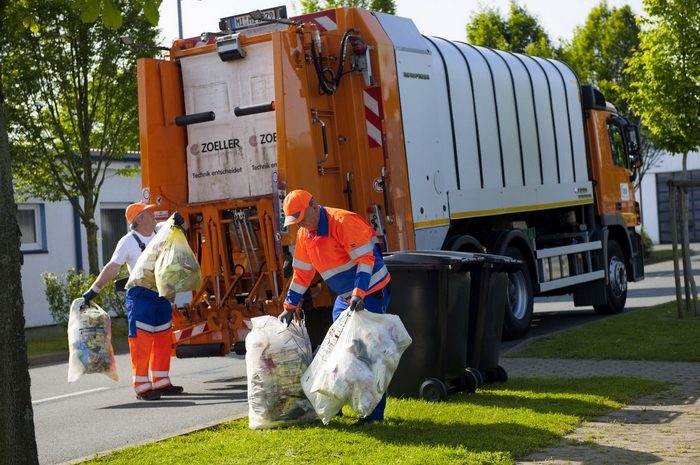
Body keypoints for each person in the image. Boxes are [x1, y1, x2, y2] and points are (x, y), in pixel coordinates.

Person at [278, 189, 391, 425]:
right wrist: (289, 306)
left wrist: (359, 294)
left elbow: (365, 260)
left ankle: (372, 415)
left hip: (369, 292)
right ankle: (334, 403)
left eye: (303, 218)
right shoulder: (304, 234)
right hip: (346, 296)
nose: (302, 224)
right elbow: (302, 274)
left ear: (313, 205)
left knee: (368, 354)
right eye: (296, 222)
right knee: (336, 350)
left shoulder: (342, 222)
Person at [82, 202, 185, 401]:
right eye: (148, 212)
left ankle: (161, 381)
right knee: (142, 341)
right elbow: (113, 267)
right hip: (140, 296)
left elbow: (179, 223)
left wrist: (179, 220)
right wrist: (93, 290)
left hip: (161, 293)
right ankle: (142, 386)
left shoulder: (161, 229)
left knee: (163, 338)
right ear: (138, 219)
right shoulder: (128, 242)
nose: (153, 213)